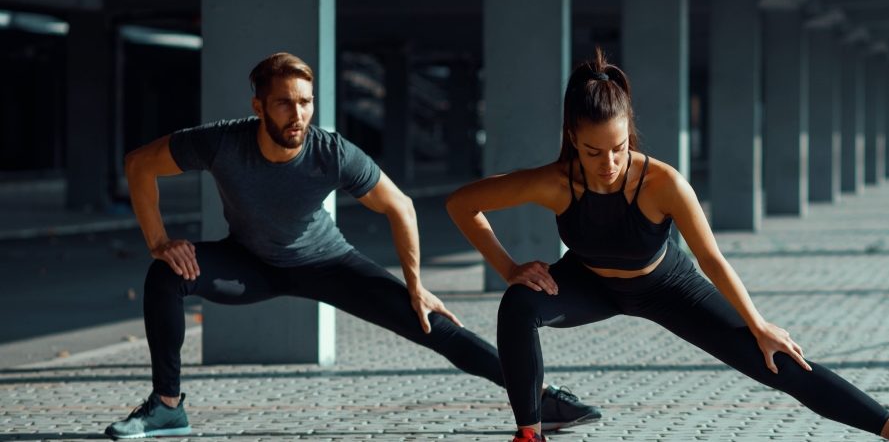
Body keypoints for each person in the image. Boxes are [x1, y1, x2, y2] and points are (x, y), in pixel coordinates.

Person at [104, 52, 600, 440]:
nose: (297, 114)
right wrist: (160, 241)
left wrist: (416, 286)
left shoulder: (330, 151)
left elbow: (400, 206)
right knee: (165, 275)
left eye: (305, 101)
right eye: (283, 102)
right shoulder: (222, 143)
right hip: (249, 262)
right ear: (258, 105)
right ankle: (168, 409)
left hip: (328, 262)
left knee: (430, 323)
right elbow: (139, 164)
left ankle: (540, 397)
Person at [445, 48, 889, 442]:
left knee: (774, 359)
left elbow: (712, 259)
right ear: (573, 138)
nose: (608, 163)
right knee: (517, 306)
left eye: (618, 148)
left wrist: (758, 323)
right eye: (593, 152)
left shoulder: (663, 183)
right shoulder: (554, 182)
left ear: (629, 134)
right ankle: (529, 433)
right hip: (590, 282)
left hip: (665, 285)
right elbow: (462, 204)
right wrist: (508, 267)